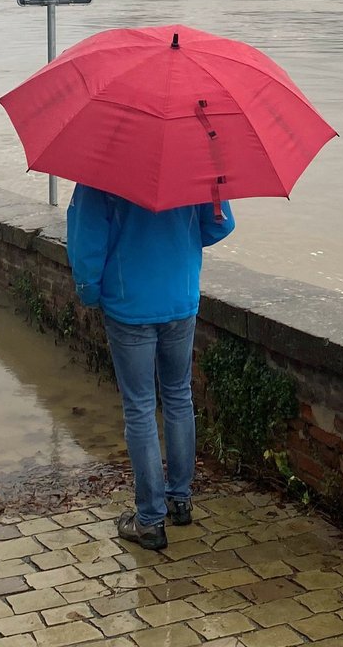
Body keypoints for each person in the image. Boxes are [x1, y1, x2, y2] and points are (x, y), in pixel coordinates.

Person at [66, 183, 235, 551]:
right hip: (180, 296)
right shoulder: (192, 163)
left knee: (140, 408)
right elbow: (220, 224)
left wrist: (90, 292)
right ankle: (180, 499)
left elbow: (87, 242)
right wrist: (179, 246)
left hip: (129, 305)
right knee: (178, 397)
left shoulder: (102, 173)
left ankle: (149, 521)